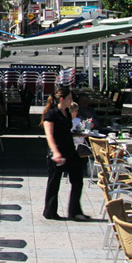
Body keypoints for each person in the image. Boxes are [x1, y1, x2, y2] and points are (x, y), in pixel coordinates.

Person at [41, 85, 88, 221]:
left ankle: (75, 211)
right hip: (57, 152)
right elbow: (49, 135)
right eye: (69, 98)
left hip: (70, 151)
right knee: (54, 183)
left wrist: (80, 134)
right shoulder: (51, 114)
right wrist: (55, 153)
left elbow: (67, 130)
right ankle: (49, 211)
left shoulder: (66, 113)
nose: (71, 100)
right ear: (62, 99)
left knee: (78, 179)